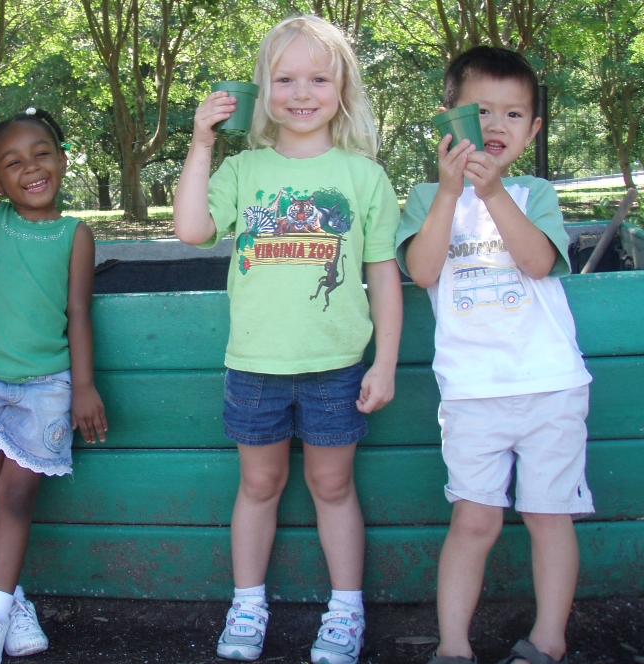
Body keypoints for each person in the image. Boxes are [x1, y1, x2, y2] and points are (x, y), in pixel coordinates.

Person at [174, 15, 403, 664]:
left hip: (337, 366)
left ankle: (345, 610)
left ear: (343, 88)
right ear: (264, 91)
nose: (302, 93)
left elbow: (384, 277)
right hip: (256, 365)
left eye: (318, 78)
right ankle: (247, 604)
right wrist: (201, 141)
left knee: (333, 487)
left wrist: (383, 364)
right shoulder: (245, 169)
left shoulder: (364, 178)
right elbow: (192, 228)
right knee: (259, 486)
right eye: (285, 79)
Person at [397, 46, 593, 664]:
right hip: (472, 395)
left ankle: (548, 641)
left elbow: (537, 263)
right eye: (480, 111)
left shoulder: (535, 193)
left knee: (547, 516)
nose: (496, 127)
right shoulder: (427, 196)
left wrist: (496, 191)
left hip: (550, 387)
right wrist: (451, 194)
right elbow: (424, 271)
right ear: (447, 118)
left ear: (533, 130)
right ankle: (453, 646)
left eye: (514, 115)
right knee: (474, 522)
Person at [0, 98, 107, 663]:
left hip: (45, 386)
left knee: (15, 492)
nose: (30, 168)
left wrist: (84, 386)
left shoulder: (75, 233)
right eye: (12, 163)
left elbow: (78, 312)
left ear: (61, 159)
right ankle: (10, 602)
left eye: (41, 154)